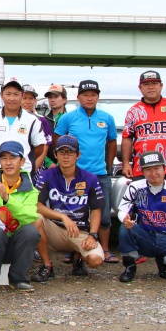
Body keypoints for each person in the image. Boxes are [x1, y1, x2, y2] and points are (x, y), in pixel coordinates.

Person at [53, 80, 118, 263]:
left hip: (99, 173)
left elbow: (112, 142)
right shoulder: (68, 118)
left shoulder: (107, 118)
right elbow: (57, 140)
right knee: (74, 213)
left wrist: (109, 163)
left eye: (93, 95)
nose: (89, 98)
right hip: (74, 174)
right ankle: (73, 248)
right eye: (86, 95)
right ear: (78, 97)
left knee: (103, 214)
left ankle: (104, 249)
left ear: (98, 96)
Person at [31, 135, 105, 282]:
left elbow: (96, 209)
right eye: (62, 152)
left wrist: (93, 235)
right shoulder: (47, 175)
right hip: (56, 229)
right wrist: (62, 217)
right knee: (34, 219)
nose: (66, 156)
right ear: (56, 155)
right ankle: (47, 266)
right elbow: (36, 205)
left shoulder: (90, 178)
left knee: (96, 260)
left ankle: (77, 256)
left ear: (78, 155)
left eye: (70, 152)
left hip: (80, 230)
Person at [117, 151, 166, 282]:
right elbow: (122, 210)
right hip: (145, 235)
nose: (153, 173)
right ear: (142, 172)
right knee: (124, 228)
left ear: (165, 169)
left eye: (157, 168)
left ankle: (164, 261)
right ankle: (130, 265)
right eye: (148, 169)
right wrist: (125, 219)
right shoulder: (135, 187)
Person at [0, 141, 41, 291]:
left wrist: (7, 199)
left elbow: (30, 217)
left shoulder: (31, 191)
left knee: (30, 231)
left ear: (22, 161)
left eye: (13, 158)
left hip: (16, 247)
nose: (8, 163)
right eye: (4, 158)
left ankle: (18, 279)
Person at [0, 78, 47, 178]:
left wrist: (23, 159)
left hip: (24, 174)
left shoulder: (33, 120)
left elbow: (39, 148)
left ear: (22, 95)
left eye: (16, 94)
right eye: (8, 94)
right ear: (1, 95)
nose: (12, 98)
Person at [21, 84, 53, 169]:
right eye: (24, 98)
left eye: (31, 98)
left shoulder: (42, 120)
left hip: (36, 166)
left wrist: (33, 168)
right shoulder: (12, 119)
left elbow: (44, 148)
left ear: (35, 101)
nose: (28, 101)